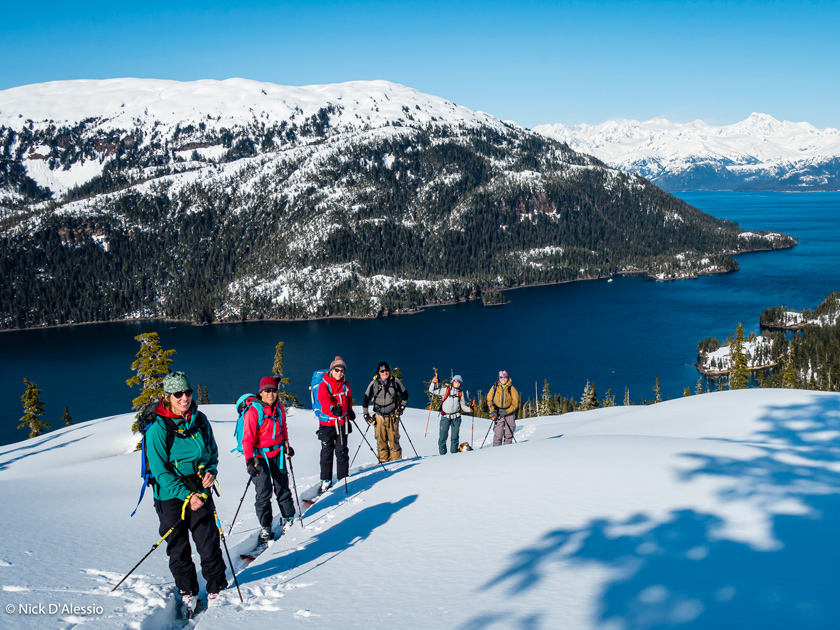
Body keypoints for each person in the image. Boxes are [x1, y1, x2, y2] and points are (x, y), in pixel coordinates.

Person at [145, 371, 227, 612]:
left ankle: (216, 588)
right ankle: (187, 591)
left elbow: (212, 453)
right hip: (170, 495)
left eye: (187, 392)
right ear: (167, 397)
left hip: (199, 489)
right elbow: (160, 472)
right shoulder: (158, 429)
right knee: (178, 547)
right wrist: (186, 496)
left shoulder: (200, 420)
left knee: (208, 542)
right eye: (178, 393)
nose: (184, 397)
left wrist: (211, 472)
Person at [242, 376, 296, 543]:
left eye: (273, 390)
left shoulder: (279, 409)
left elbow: (283, 429)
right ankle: (266, 526)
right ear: (261, 392)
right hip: (260, 457)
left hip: (278, 453)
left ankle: (288, 519)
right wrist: (249, 461)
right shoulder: (254, 412)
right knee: (263, 493)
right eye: (267, 390)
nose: (271, 394)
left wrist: (287, 444)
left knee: (283, 488)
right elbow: (247, 438)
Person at [317, 356, 355, 492]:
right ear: (331, 370)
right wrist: (332, 408)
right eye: (337, 370)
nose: (339, 373)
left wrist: (350, 410)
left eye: (342, 371)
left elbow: (349, 398)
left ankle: (342, 478)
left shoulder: (345, 384)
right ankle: (326, 480)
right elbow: (323, 398)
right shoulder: (324, 384)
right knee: (327, 453)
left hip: (342, 422)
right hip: (328, 424)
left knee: (342, 451)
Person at [361, 361, 409, 463]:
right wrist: (366, 415)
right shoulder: (374, 383)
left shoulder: (395, 381)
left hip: (392, 416)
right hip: (379, 417)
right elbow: (365, 399)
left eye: (386, 370)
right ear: (378, 372)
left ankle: (396, 463)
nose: (384, 373)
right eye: (382, 371)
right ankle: (383, 464)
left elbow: (405, 394)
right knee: (381, 441)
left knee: (394, 441)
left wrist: (401, 407)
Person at [429, 373, 472, 455]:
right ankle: (443, 455)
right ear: (453, 382)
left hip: (456, 417)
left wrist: (470, 409)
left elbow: (463, 407)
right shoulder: (445, 390)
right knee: (442, 438)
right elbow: (432, 390)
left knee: (455, 438)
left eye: (459, 382)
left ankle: (454, 455)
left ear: (460, 384)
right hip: (445, 417)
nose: (457, 383)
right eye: (455, 381)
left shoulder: (460, 393)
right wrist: (433, 382)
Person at [486, 370, 519, 446]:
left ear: (507, 377)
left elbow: (515, 403)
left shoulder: (511, 388)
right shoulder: (495, 387)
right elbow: (489, 399)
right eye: (501, 377)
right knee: (498, 434)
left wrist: (507, 411)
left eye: (504, 377)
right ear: (499, 378)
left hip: (509, 413)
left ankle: (506, 454)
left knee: (508, 435)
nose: (503, 379)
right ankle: (496, 453)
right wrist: (493, 411)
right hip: (498, 413)